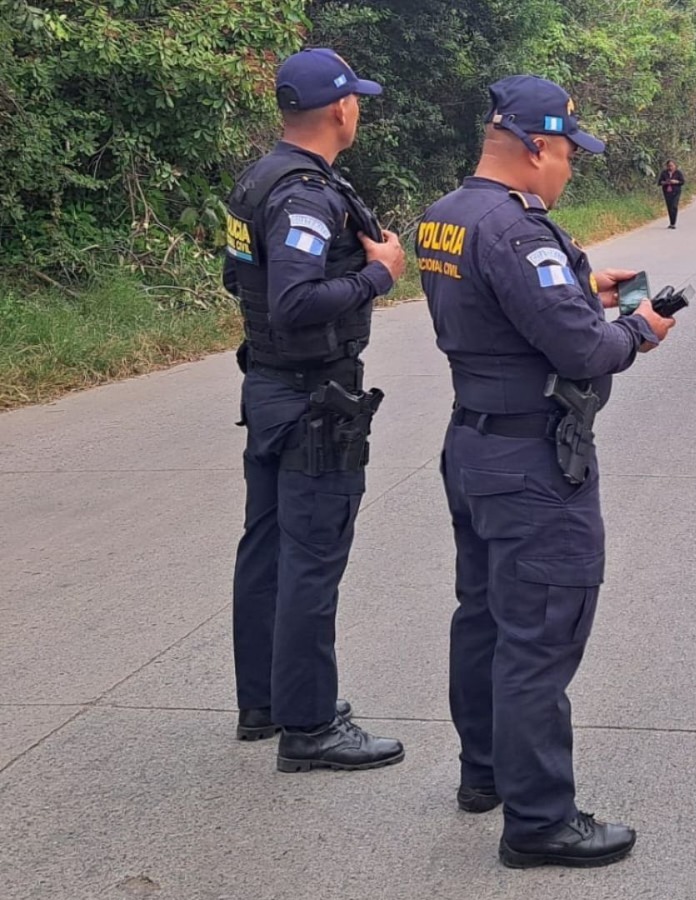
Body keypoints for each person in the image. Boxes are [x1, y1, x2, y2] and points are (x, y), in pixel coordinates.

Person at [417, 74, 675, 869]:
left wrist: (580, 289)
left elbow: (513, 309)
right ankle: (539, 821)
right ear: (535, 146)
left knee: (485, 616)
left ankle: (484, 774)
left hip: (472, 444)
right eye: (568, 154)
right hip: (531, 459)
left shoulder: (446, 217)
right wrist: (640, 327)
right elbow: (584, 349)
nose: (570, 170)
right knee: (541, 633)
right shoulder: (520, 234)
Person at [223, 48, 407, 771]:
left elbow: (243, 280)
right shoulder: (304, 194)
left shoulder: (259, 178)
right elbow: (296, 302)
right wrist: (377, 275)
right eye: (356, 98)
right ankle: (309, 727)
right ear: (340, 108)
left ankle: (265, 701)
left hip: (269, 388)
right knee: (312, 558)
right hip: (309, 399)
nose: (358, 107)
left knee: (266, 549)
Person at [657, 159, 685, 229]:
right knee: (669, 207)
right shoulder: (664, 173)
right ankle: (671, 223)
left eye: (672, 166)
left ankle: (673, 223)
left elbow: (682, 182)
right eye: (669, 166)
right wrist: (665, 182)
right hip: (667, 192)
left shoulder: (678, 173)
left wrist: (676, 182)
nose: (670, 167)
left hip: (676, 192)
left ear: (675, 166)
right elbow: (659, 182)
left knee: (674, 206)